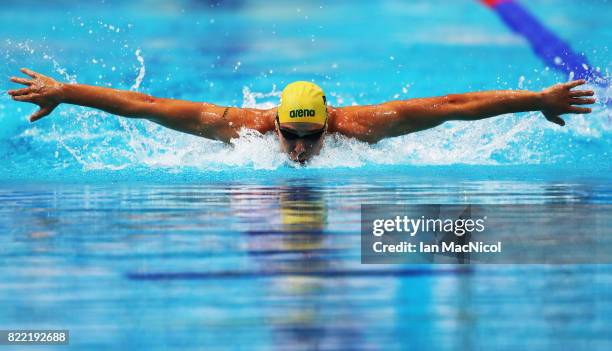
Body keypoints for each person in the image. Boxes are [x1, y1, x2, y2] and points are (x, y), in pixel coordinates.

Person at [8, 68, 595, 163]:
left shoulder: (362, 125)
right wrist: (67, 91)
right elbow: (148, 106)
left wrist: (538, 100)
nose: (298, 152)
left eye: (311, 138)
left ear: (330, 122)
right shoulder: (241, 126)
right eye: (292, 135)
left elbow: (452, 107)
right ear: (276, 123)